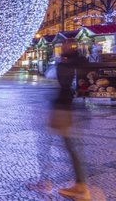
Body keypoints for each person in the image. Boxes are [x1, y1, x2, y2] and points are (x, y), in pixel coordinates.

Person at [51, 51, 90, 200]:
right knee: (73, 148)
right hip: (72, 111)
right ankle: (80, 185)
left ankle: (81, 187)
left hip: (65, 111)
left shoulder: (65, 67)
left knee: (71, 148)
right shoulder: (79, 67)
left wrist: (61, 64)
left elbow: (63, 83)